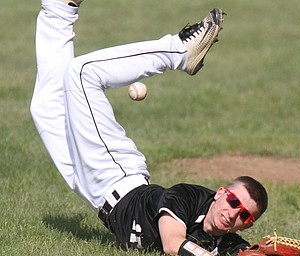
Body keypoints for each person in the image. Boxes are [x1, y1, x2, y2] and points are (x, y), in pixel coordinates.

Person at [30, 0, 268, 255]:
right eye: (233, 201)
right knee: (83, 73)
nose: (233, 214)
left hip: (94, 193)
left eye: (244, 216)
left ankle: (61, 9)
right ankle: (179, 51)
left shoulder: (228, 245)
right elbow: (172, 244)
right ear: (221, 193)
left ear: (247, 226)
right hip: (115, 175)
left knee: (45, 109)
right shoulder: (188, 198)